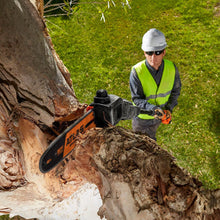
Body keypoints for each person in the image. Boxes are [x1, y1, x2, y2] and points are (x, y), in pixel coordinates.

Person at [129, 28, 181, 140]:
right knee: (140, 145)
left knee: (151, 139)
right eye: (149, 53)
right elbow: (136, 99)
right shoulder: (137, 72)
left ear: (164, 52)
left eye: (157, 53)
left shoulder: (171, 68)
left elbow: (175, 91)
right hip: (142, 119)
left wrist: (168, 109)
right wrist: (153, 108)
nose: (153, 58)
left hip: (159, 116)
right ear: (144, 53)